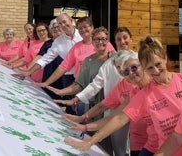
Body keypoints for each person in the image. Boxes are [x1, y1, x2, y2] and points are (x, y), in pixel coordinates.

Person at [64, 35, 182, 156]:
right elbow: (118, 118)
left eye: (158, 64)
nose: (156, 71)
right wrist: (89, 141)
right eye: (150, 68)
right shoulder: (143, 94)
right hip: (163, 148)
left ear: (165, 58)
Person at [51, 27, 133, 156]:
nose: (122, 41)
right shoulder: (109, 62)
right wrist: (75, 100)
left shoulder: (138, 59)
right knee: (118, 146)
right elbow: (95, 86)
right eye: (118, 39)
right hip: (112, 108)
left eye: (125, 38)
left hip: (134, 111)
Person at [62, 50, 152, 156]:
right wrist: (86, 129)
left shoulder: (157, 82)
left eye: (134, 68)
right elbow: (115, 117)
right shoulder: (132, 93)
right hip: (142, 143)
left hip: (162, 142)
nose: (129, 73)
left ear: (143, 65)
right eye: (125, 71)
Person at [47, 27, 113, 113]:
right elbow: (79, 85)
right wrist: (62, 91)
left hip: (112, 104)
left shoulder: (116, 59)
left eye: (103, 39)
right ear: (92, 42)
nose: (100, 42)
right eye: (97, 39)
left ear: (107, 41)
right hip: (93, 105)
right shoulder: (88, 61)